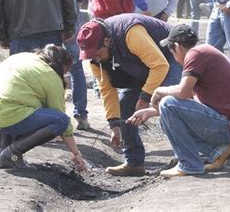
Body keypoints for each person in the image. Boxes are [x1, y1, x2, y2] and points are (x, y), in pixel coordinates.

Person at [127, 24, 230, 177]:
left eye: (172, 52)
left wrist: (158, 90)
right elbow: (188, 99)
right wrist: (151, 112)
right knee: (166, 114)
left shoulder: (195, 55)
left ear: (177, 47)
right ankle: (219, 152)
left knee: (167, 103)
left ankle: (189, 164)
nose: (175, 59)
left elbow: (183, 93)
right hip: (229, 124)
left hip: (227, 126)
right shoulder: (202, 52)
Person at [76, 13, 182, 176]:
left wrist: (145, 98)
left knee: (168, 103)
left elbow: (160, 65)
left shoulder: (130, 32)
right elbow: (107, 90)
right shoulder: (95, 59)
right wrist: (114, 126)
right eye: (90, 55)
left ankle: (188, 157)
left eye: (97, 53)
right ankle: (134, 163)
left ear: (107, 41)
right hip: (142, 65)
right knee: (125, 104)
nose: (95, 58)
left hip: (170, 54)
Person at [0, 44, 86, 171]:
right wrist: (76, 154)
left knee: (16, 105)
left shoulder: (21, 57)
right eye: (65, 72)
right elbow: (62, 121)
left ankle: (5, 153)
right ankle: (12, 155)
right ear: (63, 66)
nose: (65, 76)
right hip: (2, 115)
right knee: (61, 121)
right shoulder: (51, 76)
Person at [27, 0, 90, 131]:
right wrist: (73, 11)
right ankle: (81, 115)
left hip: (47, 23)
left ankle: (52, 115)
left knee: (48, 66)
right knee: (76, 67)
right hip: (71, 19)